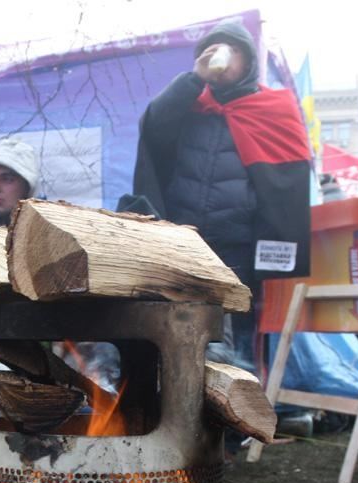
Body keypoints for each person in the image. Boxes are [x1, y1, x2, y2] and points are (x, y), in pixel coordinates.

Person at [131, 20, 312, 374]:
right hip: (185, 243)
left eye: (232, 51)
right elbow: (153, 125)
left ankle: (239, 418)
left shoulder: (272, 109)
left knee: (239, 343)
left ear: (248, 62)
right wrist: (194, 78)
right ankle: (179, 409)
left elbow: (286, 187)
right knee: (179, 330)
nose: (222, 59)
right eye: (209, 51)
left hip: (238, 248)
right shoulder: (188, 105)